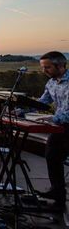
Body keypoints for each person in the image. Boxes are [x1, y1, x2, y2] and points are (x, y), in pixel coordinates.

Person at [36, 51, 69, 205]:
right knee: (52, 155)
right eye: (43, 68)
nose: (44, 71)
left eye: (47, 67)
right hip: (60, 127)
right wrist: (20, 108)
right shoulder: (51, 83)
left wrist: (52, 118)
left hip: (63, 123)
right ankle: (57, 192)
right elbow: (43, 102)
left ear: (61, 66)